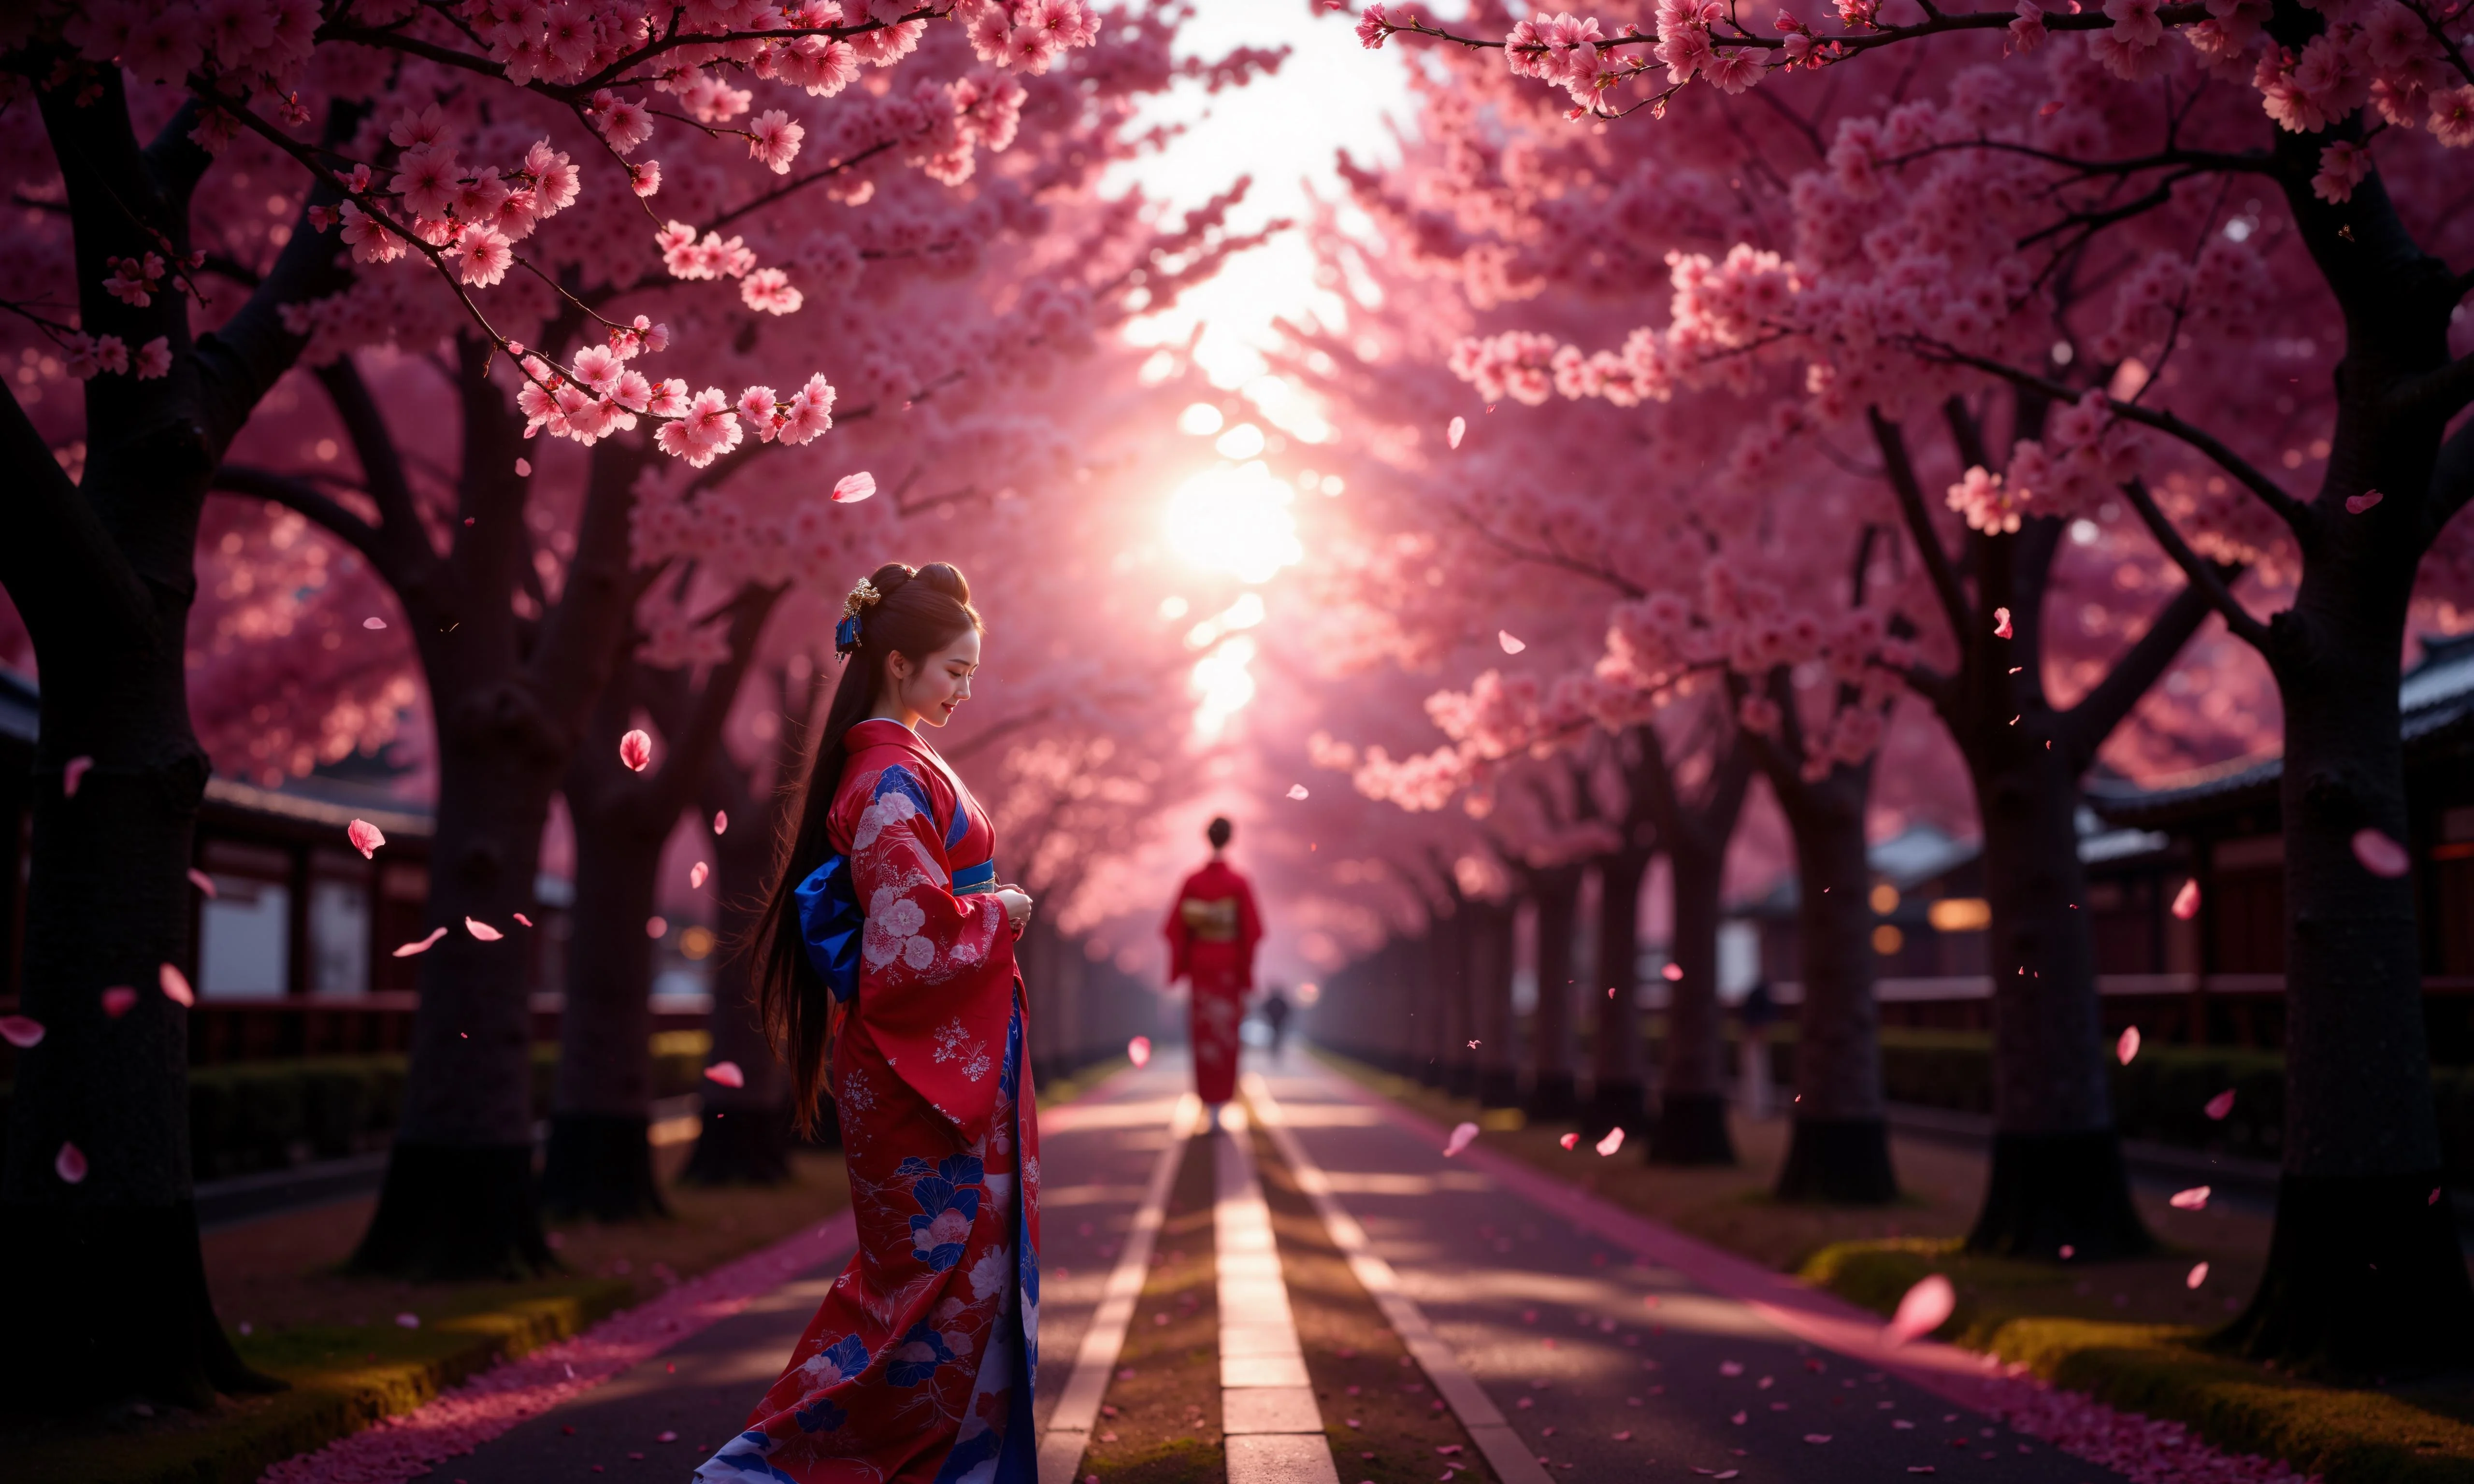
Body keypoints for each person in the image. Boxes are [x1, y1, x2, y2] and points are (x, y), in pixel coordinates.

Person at [699, 563, 1038, 1484]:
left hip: (935, 1053)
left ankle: (940, 1465)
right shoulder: (889, 780)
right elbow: (910, 944)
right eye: (954, 670)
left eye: (971, 672)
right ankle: (769, 1466)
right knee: (926, 1289)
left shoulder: (899, 766)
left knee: (955, 1281)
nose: (967, 689)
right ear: (897, 662)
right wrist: (999, 913)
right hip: (916, 1063)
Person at [1163, 816, 1262, 1117]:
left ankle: (1209, 1102)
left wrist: (1183, 961)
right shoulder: (1239, 882)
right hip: (1229, 965)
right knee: (1227, 1032)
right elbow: (1252, 930)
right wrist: (1245, 971)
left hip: (1202, 964)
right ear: (1229, 839)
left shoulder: (1192, 881)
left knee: (1205, 1031)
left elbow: (1175, 928)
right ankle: (1220, 1101)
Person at [1259, 983, 1292, 1060]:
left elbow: (1265, 1008)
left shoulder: (1274, 1001)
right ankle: (1274, 1050)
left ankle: (1274, 1050)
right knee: (1275, 1037)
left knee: (1275, 1037)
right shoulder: (1280, 1001)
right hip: (1276, 1021)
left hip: (1276, 1021)